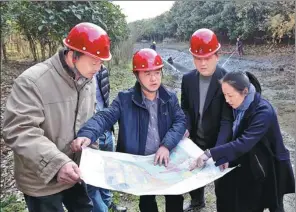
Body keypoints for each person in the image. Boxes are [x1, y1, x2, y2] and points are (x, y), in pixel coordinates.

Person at [2, 22, 113, 212]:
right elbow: (19, 130)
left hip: (75, 173)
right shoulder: (33, 81)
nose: (98, 67)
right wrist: (58, 163)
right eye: (94, 60)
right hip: (41, 179)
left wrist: (89, 143)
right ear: (73, 54)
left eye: (101, 62)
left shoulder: (88, 79)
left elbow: (89, 117)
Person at [71, 48, 187, 212]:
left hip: (167, 158)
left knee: (174, 197)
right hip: (142, 162)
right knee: (146, 201)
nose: (154, 79)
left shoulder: (170, 97)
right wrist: (88, 134)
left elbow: (180, 121)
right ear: (137, 75)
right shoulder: (125, 99)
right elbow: (105, 116)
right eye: (147, 74)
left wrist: (166, 145)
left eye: (157, 73)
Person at [192, 71, 295, 212]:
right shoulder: (232, 104)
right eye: (224, 95)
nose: (227, 100)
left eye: (230, 95)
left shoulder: (263, 111)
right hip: (251, 160)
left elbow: (244, 142)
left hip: (270, 163)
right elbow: (226, 125)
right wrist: (223, 155)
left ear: (245, 91)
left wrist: (210, 153)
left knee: (275, 203)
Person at [181, 28, 233, 211]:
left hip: (218, 138)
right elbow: (185, 109)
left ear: (217, 56)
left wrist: (218, 151)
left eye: (207, 58)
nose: (202, 63)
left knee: (221, 182)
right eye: (197, 58)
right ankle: (197, 201)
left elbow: (227, 120)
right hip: (195, 138)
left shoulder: (226, 80)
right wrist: (186, 127)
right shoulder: (187, 80)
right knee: (194, 174)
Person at [87, 67, 127, 212]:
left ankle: (108, 203)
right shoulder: (73, 74)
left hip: (105, 130)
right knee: (91, 178)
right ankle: (100, 208)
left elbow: (105, 99)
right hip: (87, 134)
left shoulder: (102, 70)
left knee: (107, 170)